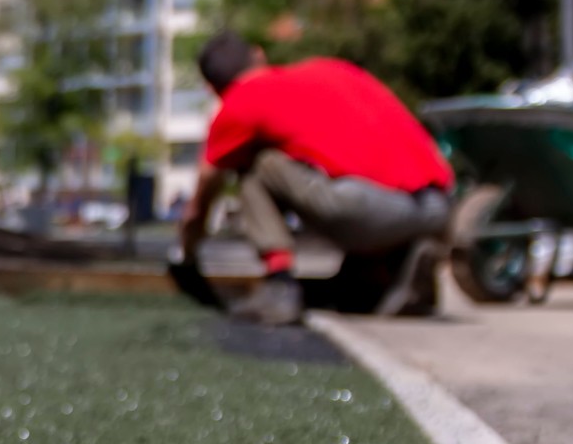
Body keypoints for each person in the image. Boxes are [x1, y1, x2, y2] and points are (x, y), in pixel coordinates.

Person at [177, 32, 454, 325]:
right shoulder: (332, 69)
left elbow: (204, 191)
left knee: (257, 165)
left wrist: (188, 253)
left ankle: (279, 285)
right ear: (258, 55)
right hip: (437, 205)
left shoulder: (240, 102)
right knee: (355, 290)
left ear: (211, 87)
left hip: (365, 210)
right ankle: (395, 270)